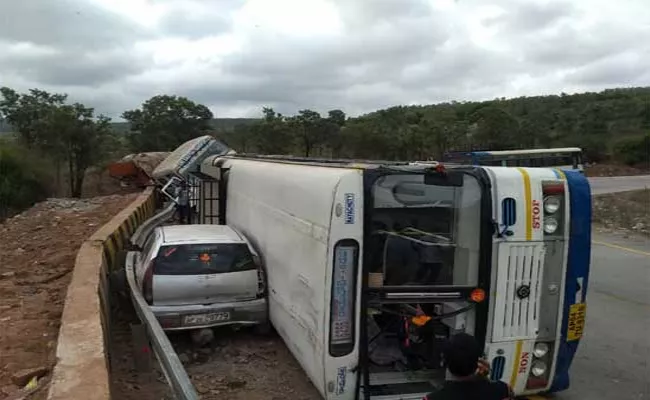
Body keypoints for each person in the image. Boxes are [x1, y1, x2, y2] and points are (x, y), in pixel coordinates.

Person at [423, 333, 514, 400]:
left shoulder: (433, 398)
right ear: (480, 360)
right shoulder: (503, 391)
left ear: (444, 362)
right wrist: (485, 378)